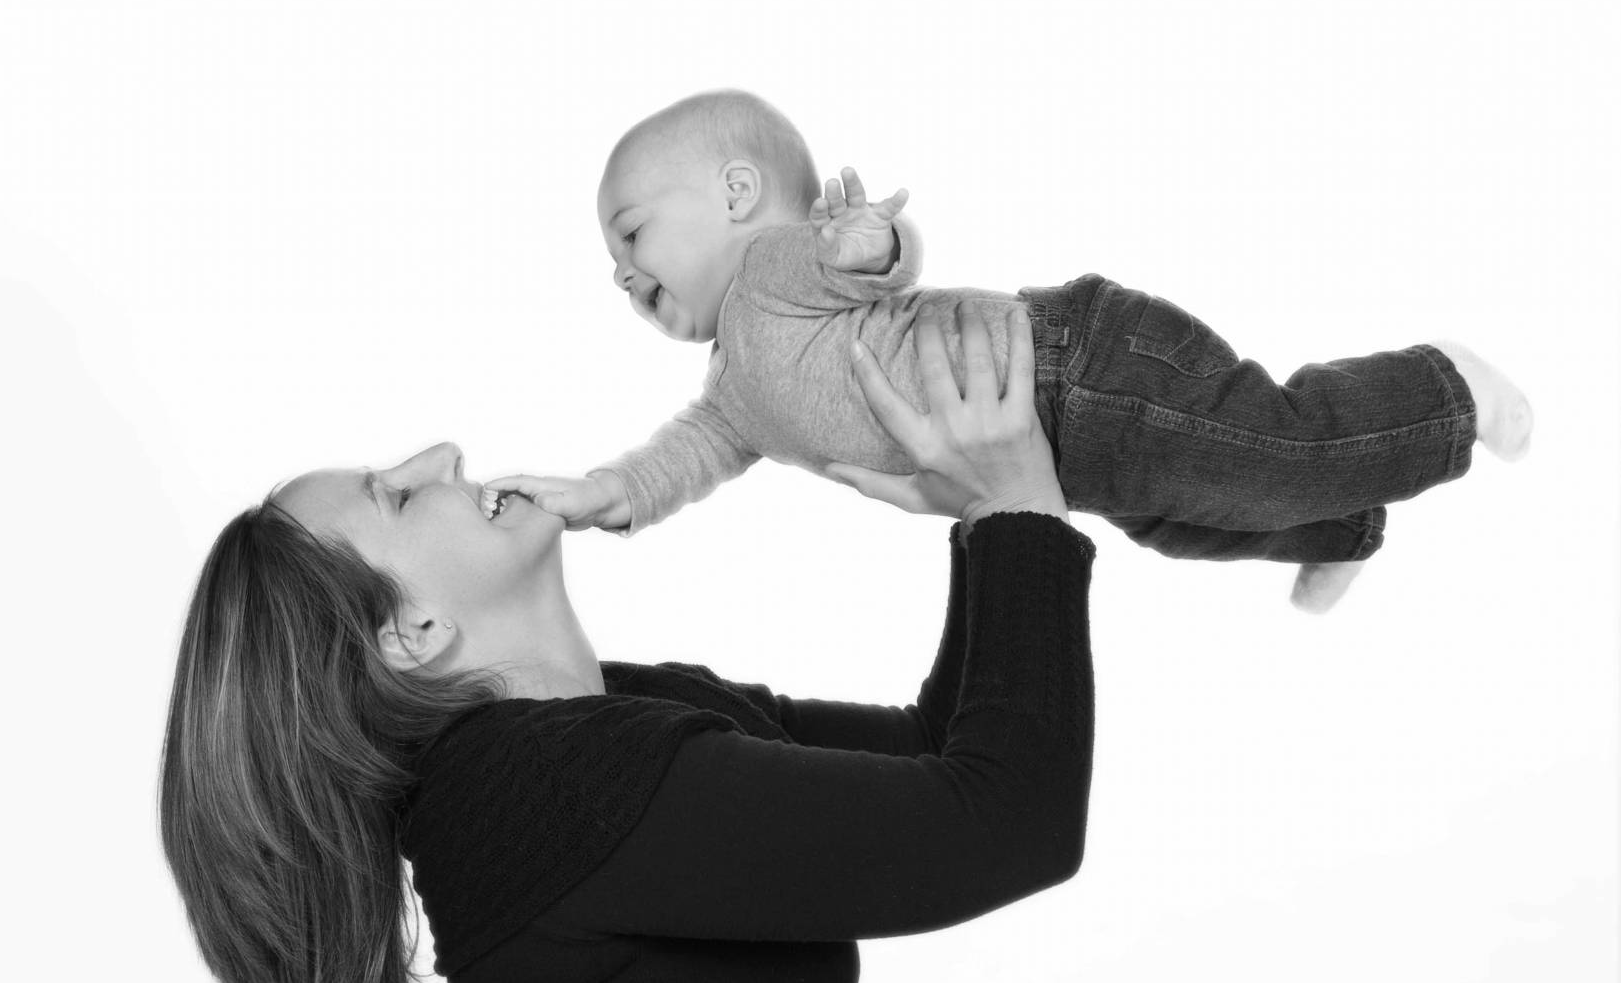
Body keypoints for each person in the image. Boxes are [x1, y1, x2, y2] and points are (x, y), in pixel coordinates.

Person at [159, 305, 1094, 983]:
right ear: (411, 634)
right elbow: (1010, 823)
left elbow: (940, 752)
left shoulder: (603, 729)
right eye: (396, 496)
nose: (442, 456)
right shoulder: (539, 794)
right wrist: (1016, 510)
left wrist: (987, 520)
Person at [489, 89, 1533, 613]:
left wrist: (865, 242)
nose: (623, 277)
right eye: (612, 269)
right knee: (1183, 520)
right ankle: (1339, 526)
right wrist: (604, 494)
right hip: (1054, 454)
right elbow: (679, 462)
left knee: (1265, 448)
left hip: (1072, 373)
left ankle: (1441, 389)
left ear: (734, 195)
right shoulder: (731, 388)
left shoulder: (774, 273)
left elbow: (874, 266)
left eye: (631, 235)